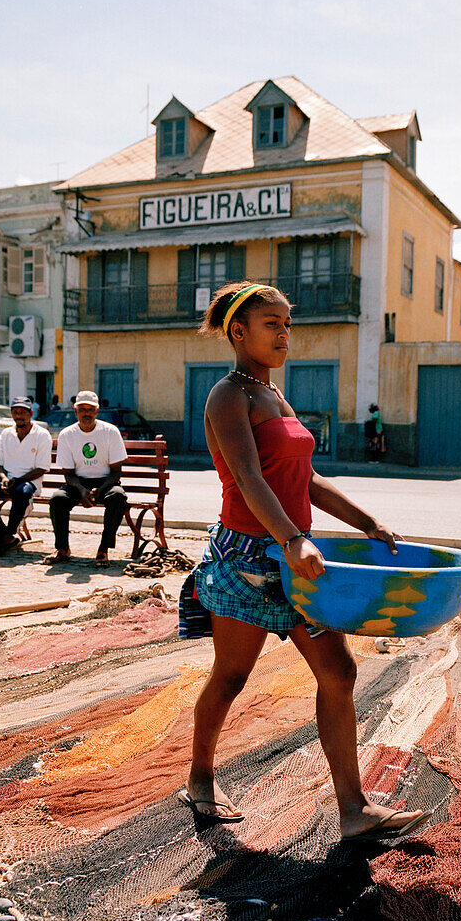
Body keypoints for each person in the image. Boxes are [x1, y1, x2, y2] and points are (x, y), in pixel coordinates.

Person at [177, 281, 431, 844]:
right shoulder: (228, 396)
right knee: (232, 676)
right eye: (272, 324)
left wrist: (366, 522)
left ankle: (353, 811)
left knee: (338, 672)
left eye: (288, 324)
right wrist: (293, 539)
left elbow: (306, 479)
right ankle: (200, 779)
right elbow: (248, 477)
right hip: (248, 560)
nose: (284, 334)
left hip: (296, 556)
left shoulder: (277, 397)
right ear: (238, 332)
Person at [44, 390, 128, 566]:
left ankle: (103, 549)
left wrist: (101, 489)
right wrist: (81, 490)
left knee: (118, 497)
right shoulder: (67, 434)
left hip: (106, 482)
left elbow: (116, 472)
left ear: (97, 411)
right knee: (57, 499)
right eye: (82, 409)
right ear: (76, 412)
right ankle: (62, 548)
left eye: (90, 410)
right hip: (77, 483)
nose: (86, 414)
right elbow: (68, 473)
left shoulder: (110, 432)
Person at [0, 396, 52, 554]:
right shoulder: (6, 434)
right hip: (6, 480)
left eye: (23, 412)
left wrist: (18, 480)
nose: (19, 416)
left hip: (29, 482)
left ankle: (5, 535)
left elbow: (42, 468)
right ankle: (3, 535)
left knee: (22, 493)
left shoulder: (42, 435)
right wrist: (4, 478)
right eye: (15, 412)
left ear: (31, 413)